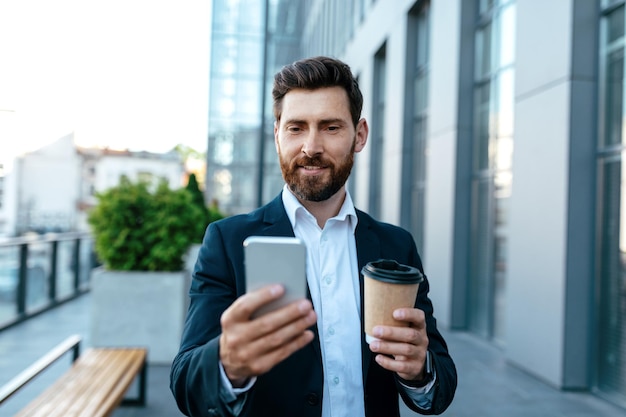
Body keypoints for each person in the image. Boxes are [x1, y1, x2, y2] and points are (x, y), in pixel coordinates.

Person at [170, 56, 457, 417]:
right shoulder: (227, 242)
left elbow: (441, 385)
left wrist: (420, 370)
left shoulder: (397, 246)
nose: (311, 146)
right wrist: (227, 364)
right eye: (296, 128)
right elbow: (185, 384)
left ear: (360, 135)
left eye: (330, 127)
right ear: (277, 134)